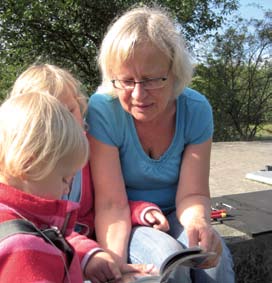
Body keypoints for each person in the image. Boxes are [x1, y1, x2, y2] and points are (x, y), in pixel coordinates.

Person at [86, 5, 235, 283]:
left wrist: (198, 223)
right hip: (127, 219)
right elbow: (111, 204)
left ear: (175, 71)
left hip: (178, 212)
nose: (139, 94)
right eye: (127, 81)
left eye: (153, 80)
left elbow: (192, 194)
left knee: (214, 261)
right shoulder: (104, 111)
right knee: (167, 260)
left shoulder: (196, 110)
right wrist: (115, 265)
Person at [8, 63, 166, 281]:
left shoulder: (90, 149)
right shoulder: (30, 178)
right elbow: (45, 231)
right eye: (53, 117)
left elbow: (107, 202)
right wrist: (88, 253)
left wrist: (139, 210)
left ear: (80, 106)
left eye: (69, 110)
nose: (65, 123)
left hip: (98, 250)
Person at [0, 92, 119, 282]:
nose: (66, 190)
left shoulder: (21, 221)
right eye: (65, 179)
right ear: (28, 166)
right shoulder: (24, 247)